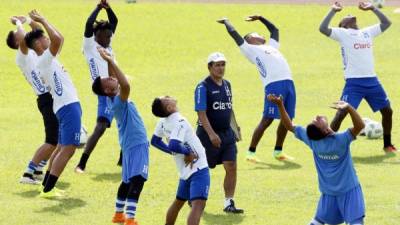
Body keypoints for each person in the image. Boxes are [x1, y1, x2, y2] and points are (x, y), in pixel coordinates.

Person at [268, 94, 366, 225]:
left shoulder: (312, 140)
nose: (317, 117)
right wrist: (349, 108)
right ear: (325, 131)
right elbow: (360, 126)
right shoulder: (341, 140)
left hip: (328, 192)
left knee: (318, 221)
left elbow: (289, 126)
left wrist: (280, 105)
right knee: (355, 222)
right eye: (317, 121)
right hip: (349, 190)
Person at [218, 15, 296, 162]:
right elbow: (234, 33)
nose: (262, 35)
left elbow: (275, 29)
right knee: (267, 119)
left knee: (288, 118)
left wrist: (261, 18)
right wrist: (226, 21)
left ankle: (278, 151)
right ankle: (251, 152)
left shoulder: (271, 47)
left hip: (288, 82)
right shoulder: (250, 49)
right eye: (257, 33)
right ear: (251, 38)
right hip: (274, 84)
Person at [319, 1, 395, 153]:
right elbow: (323, 28)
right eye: (346, 16)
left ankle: (387, 144)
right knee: (341, 113)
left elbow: (387, 22)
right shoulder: (343, 34)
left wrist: (373, 8)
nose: (349, 15)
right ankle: (328, 145)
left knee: (387, 111)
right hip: (354, 83)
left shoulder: (367, 32)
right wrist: (333, 11)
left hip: (372, 80)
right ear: (344, 25)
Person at [24, 10, 82, 197]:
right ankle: (48, 189)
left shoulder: (46, 59)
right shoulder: (44, 60)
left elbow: (59, 39)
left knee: (62, 147)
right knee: (69, 148)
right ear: (40, 43)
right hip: (67, 105)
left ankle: (47, 186)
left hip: (64, 105)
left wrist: (39, 24)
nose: (49, 39)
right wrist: (43, 20)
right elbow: (56, 39)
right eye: (45, 38)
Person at [92, 47, 149, 225]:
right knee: (138, 179)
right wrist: (110, 61)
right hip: (137, 143)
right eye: (106, 80)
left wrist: (108, 59)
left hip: (128, 144)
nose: (110, 77)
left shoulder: (113, 96)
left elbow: (115, 79)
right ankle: (130, 219)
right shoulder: (119, 99)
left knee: (126, 181)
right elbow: (125, 85)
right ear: (107, 90)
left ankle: (118, 215)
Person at [6, 15, 58, 184]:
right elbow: (22, 36)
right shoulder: (22, 57)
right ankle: (27, 174)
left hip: (51, 97)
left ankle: (37, 170)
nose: (21, 34)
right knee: (51, 140)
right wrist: (19, 23)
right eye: (17, 34)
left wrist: (28, 20)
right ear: (16, 43)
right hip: (45, 99)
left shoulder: (35, 53)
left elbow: (37, 33)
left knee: (56, 140)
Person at [195, 52, 243, 214]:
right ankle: (192, 196)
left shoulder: (227, 85)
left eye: (223, 64)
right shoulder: (203, 87)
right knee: (201, 168)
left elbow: (229, 108)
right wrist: (211, 134)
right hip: (207, 135)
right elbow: (201, 113)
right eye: (217, 65)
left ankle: (229, 202)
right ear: (210, 67)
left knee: (232, 166)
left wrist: (235, 127)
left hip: (227, 133)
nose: (221, 68)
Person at [151, 96, 210, 225]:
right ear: (169, 107)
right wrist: (187, 152)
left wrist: (174, 152)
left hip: (184, 171)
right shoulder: (180, 121)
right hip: (198, 168)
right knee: (198, 206)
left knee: (178, 203)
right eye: (166, 98)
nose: (168, 96)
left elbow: (155, 141)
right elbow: (173, 144)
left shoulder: (163, 121)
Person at [76, 0, 119, 173]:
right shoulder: (90, 45)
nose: (109, 39)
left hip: (117, 88)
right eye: (106, 36)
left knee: (127, 121)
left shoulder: (106, 44)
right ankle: (82, 163)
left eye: (110, 36)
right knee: (100, 127)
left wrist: (108, 8)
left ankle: (124, 159)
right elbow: (88, 24)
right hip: (104, 91)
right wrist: (98, 8)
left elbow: (114, 21)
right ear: (96, 35)